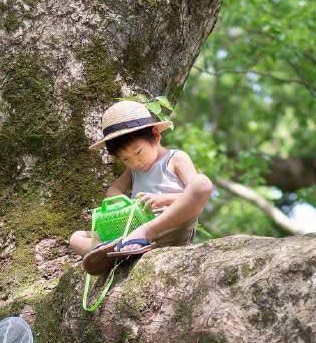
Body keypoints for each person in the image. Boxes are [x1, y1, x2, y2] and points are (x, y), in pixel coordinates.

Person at [69, 100, 214, 275]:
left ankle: (141, 236)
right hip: (132, 229)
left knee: (202, 183)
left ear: (155, 134)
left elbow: (196, 194)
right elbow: (113, 191)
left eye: (138, 153)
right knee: (76, 238)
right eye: (126, 159)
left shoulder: (175, 159)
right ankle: (112, 249)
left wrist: (163, 199)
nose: (135, 162)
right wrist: (124, 204)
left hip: (168, 227)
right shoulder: (133, 170)